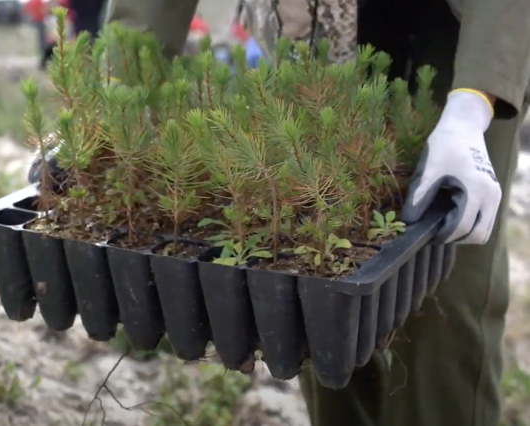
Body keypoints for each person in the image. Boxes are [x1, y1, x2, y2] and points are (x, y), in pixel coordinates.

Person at [34, 0, 530, 424]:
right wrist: (108, 106)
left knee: (445, 275)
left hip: (459, 24)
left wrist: (471, 107)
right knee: (318, 270)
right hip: (318, 19)